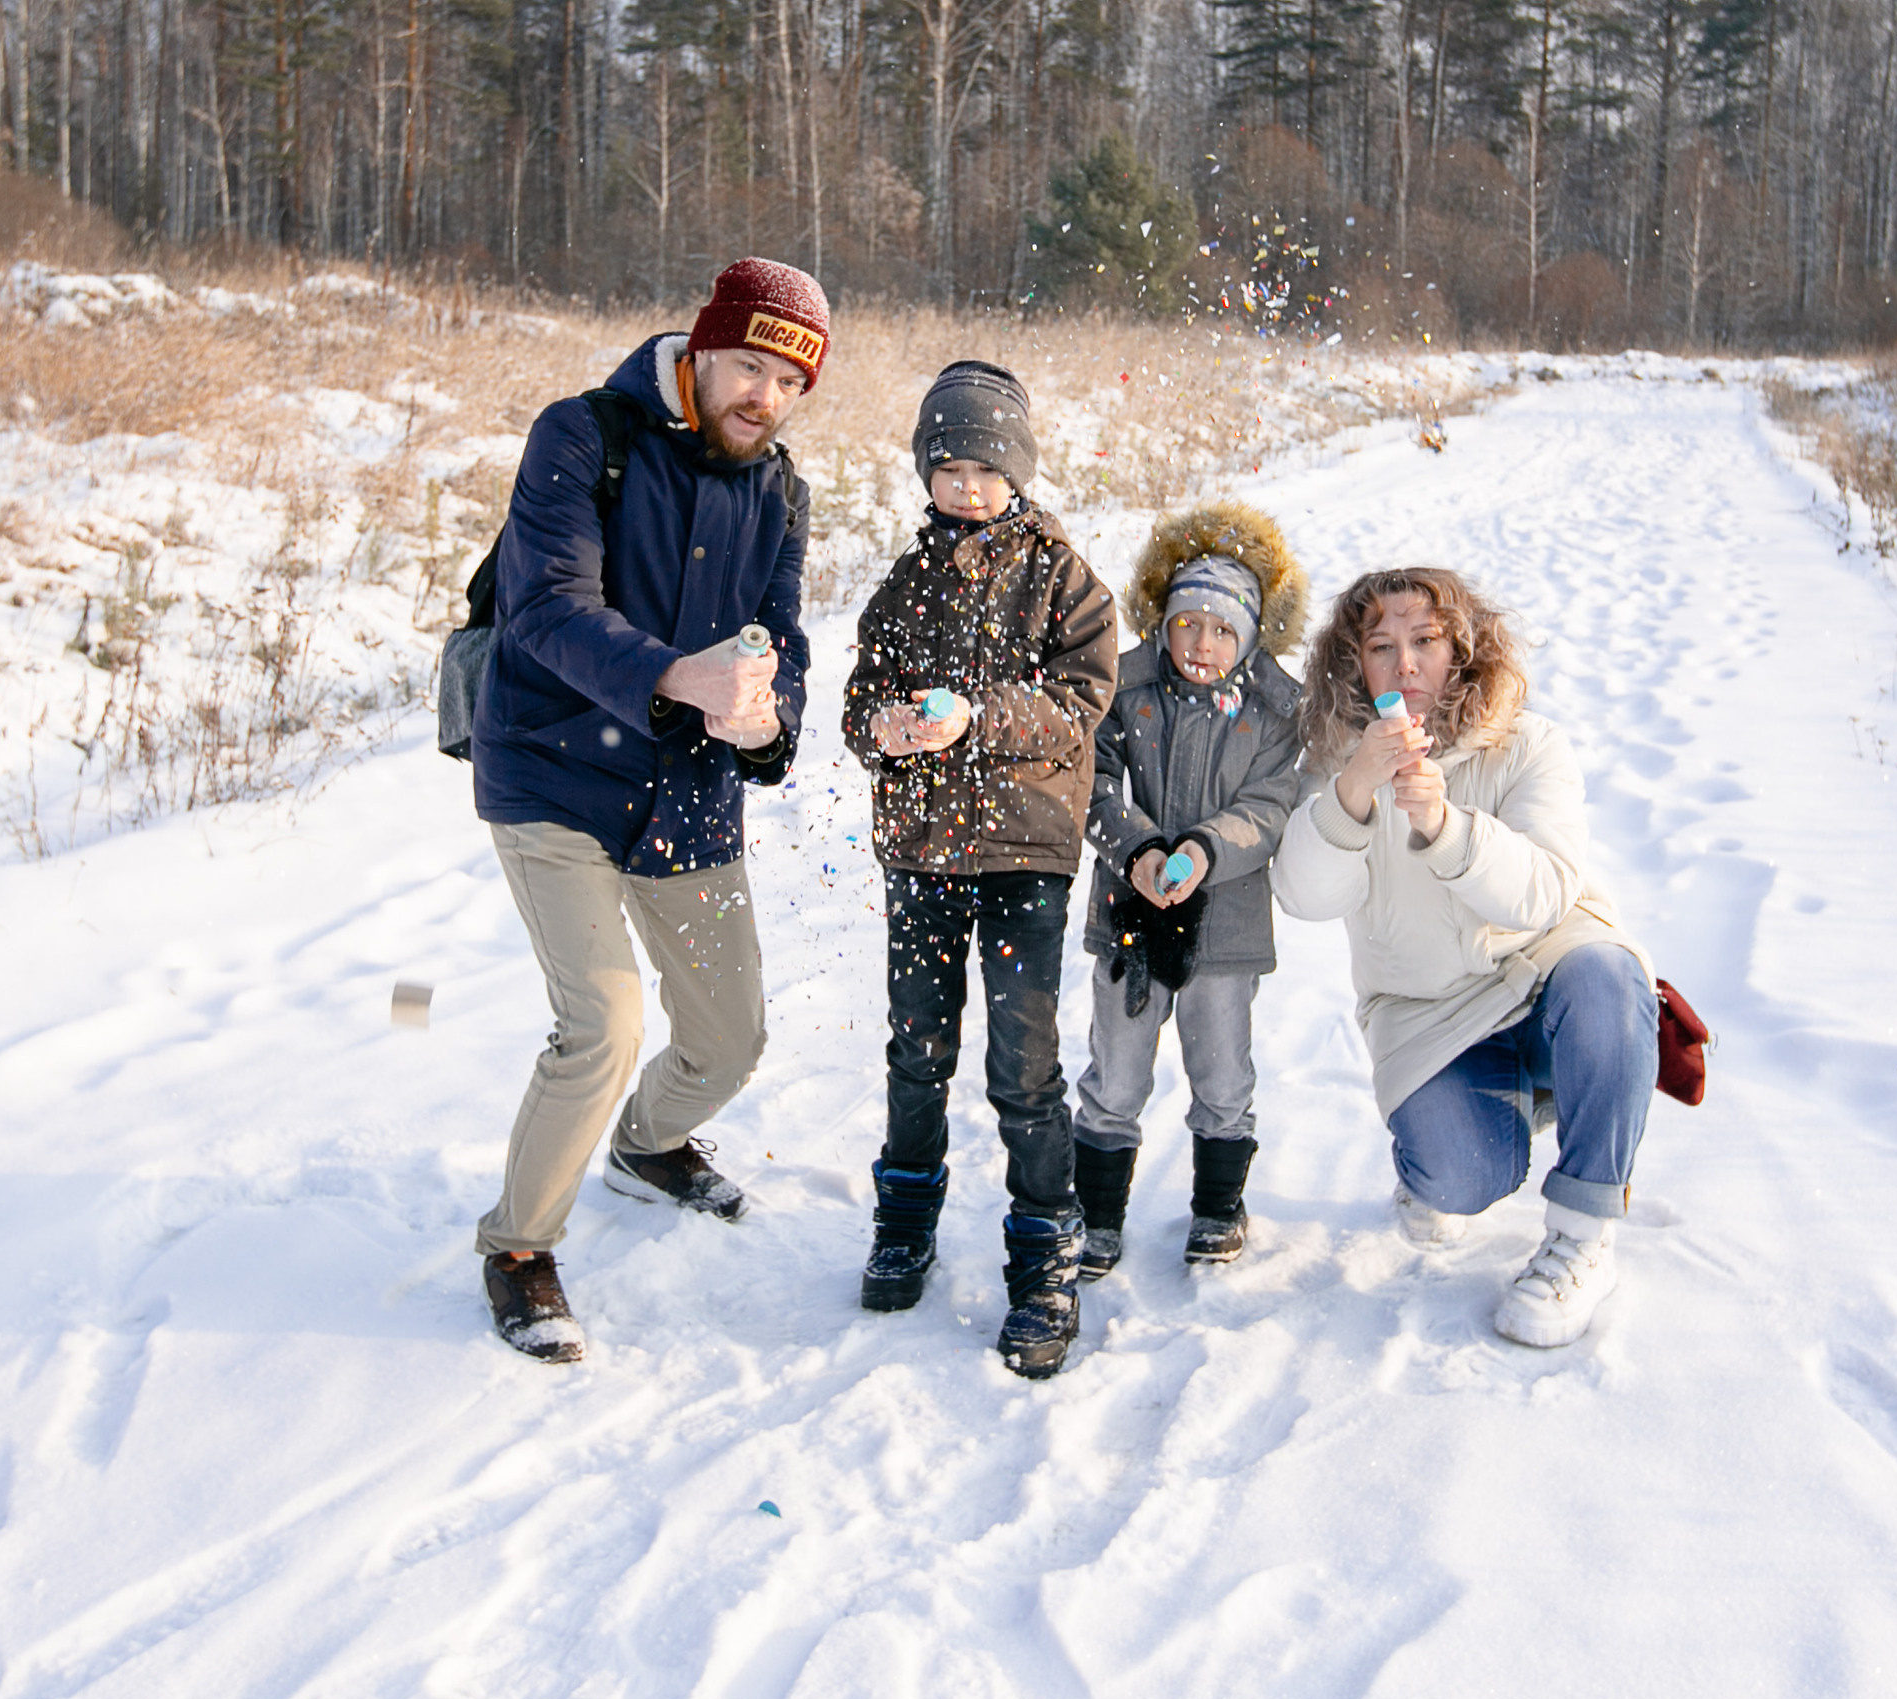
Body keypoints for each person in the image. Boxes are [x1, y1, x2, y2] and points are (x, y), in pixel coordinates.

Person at [469, 258, 828, 1363]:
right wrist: (679, 676)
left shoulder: (780, 490)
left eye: (791, 383)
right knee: (605, 1024)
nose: (766, 397)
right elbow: (543, 607)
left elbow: (781, 640)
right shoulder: (584, 435)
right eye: (752, 367)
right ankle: (518, 1247)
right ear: (704, 347)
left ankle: (647, 1143)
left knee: (730, 1037)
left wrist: (766, 720)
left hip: (688, 794)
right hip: (553, 777)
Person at [1271, 567, 1656, 1348]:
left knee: (1611, 979)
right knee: (1461, 1175)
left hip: (1546, 972)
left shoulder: (1528, 743)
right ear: (1354, 662)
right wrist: (1354, 790)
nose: (1405, 663)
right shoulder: (1335, 763)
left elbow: (1543, 891)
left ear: (1463, 651)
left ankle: (1583, 1234)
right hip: (1430, 1014)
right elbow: (1302, 895)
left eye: (1425, 640)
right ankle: (1457, 1145)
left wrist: (1447, 826)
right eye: (1381, 646)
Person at [841, 360, 1118, 1379]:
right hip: (921, 850)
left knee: (1021, 1065)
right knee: (916, 1050)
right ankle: (903, 1222)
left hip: (1022, 856)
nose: (966, 487)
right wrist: (881, 729)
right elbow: (859, 702)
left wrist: (975, 716)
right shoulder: (903, 585)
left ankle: (1044, 1254)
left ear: (1018, 473)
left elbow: (1079, 705)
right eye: (949, 468)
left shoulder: (1063, 578)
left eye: (985, 469)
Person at [1071, 501, 1308, 1273]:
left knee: (1222, 1069)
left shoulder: (1273, 711)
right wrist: (1137, 847)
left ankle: (1217, 1204)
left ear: (1251, 636)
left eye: (1222, 630)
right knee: (1116, 1071)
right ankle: (1097, 1213)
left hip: (1225, 921)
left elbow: (1269, 806)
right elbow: (1093, 780)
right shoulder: (1125, 689)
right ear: (1162, 622)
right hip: (1130, 915)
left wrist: (1206, 849)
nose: (1202, 645)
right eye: (1187, 624)